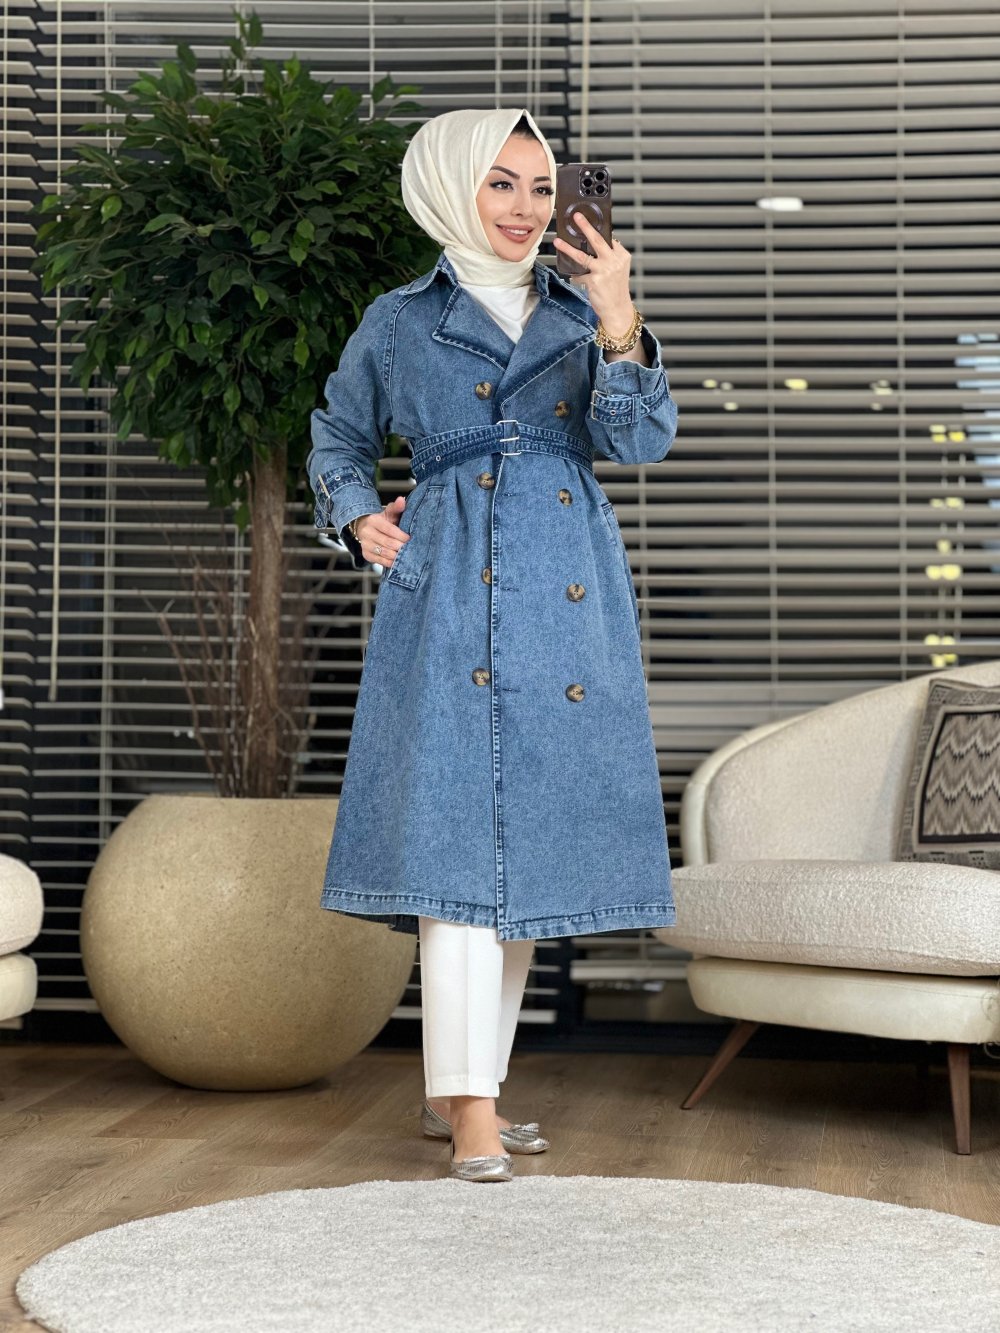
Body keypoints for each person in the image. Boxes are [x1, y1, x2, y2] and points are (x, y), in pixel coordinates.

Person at [307, 106, 678, 1183]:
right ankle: (470, 1108)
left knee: (527, 849)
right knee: (458, 846)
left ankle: (468, 1093)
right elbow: (337, 434)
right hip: (448, 583)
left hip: (565, 585)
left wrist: (617, 313)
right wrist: (353, 515)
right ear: (449, 186)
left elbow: (637, 440)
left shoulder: (579, 307)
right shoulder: (398, 319)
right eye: (500, 183)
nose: (524, 207)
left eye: (539, 185)